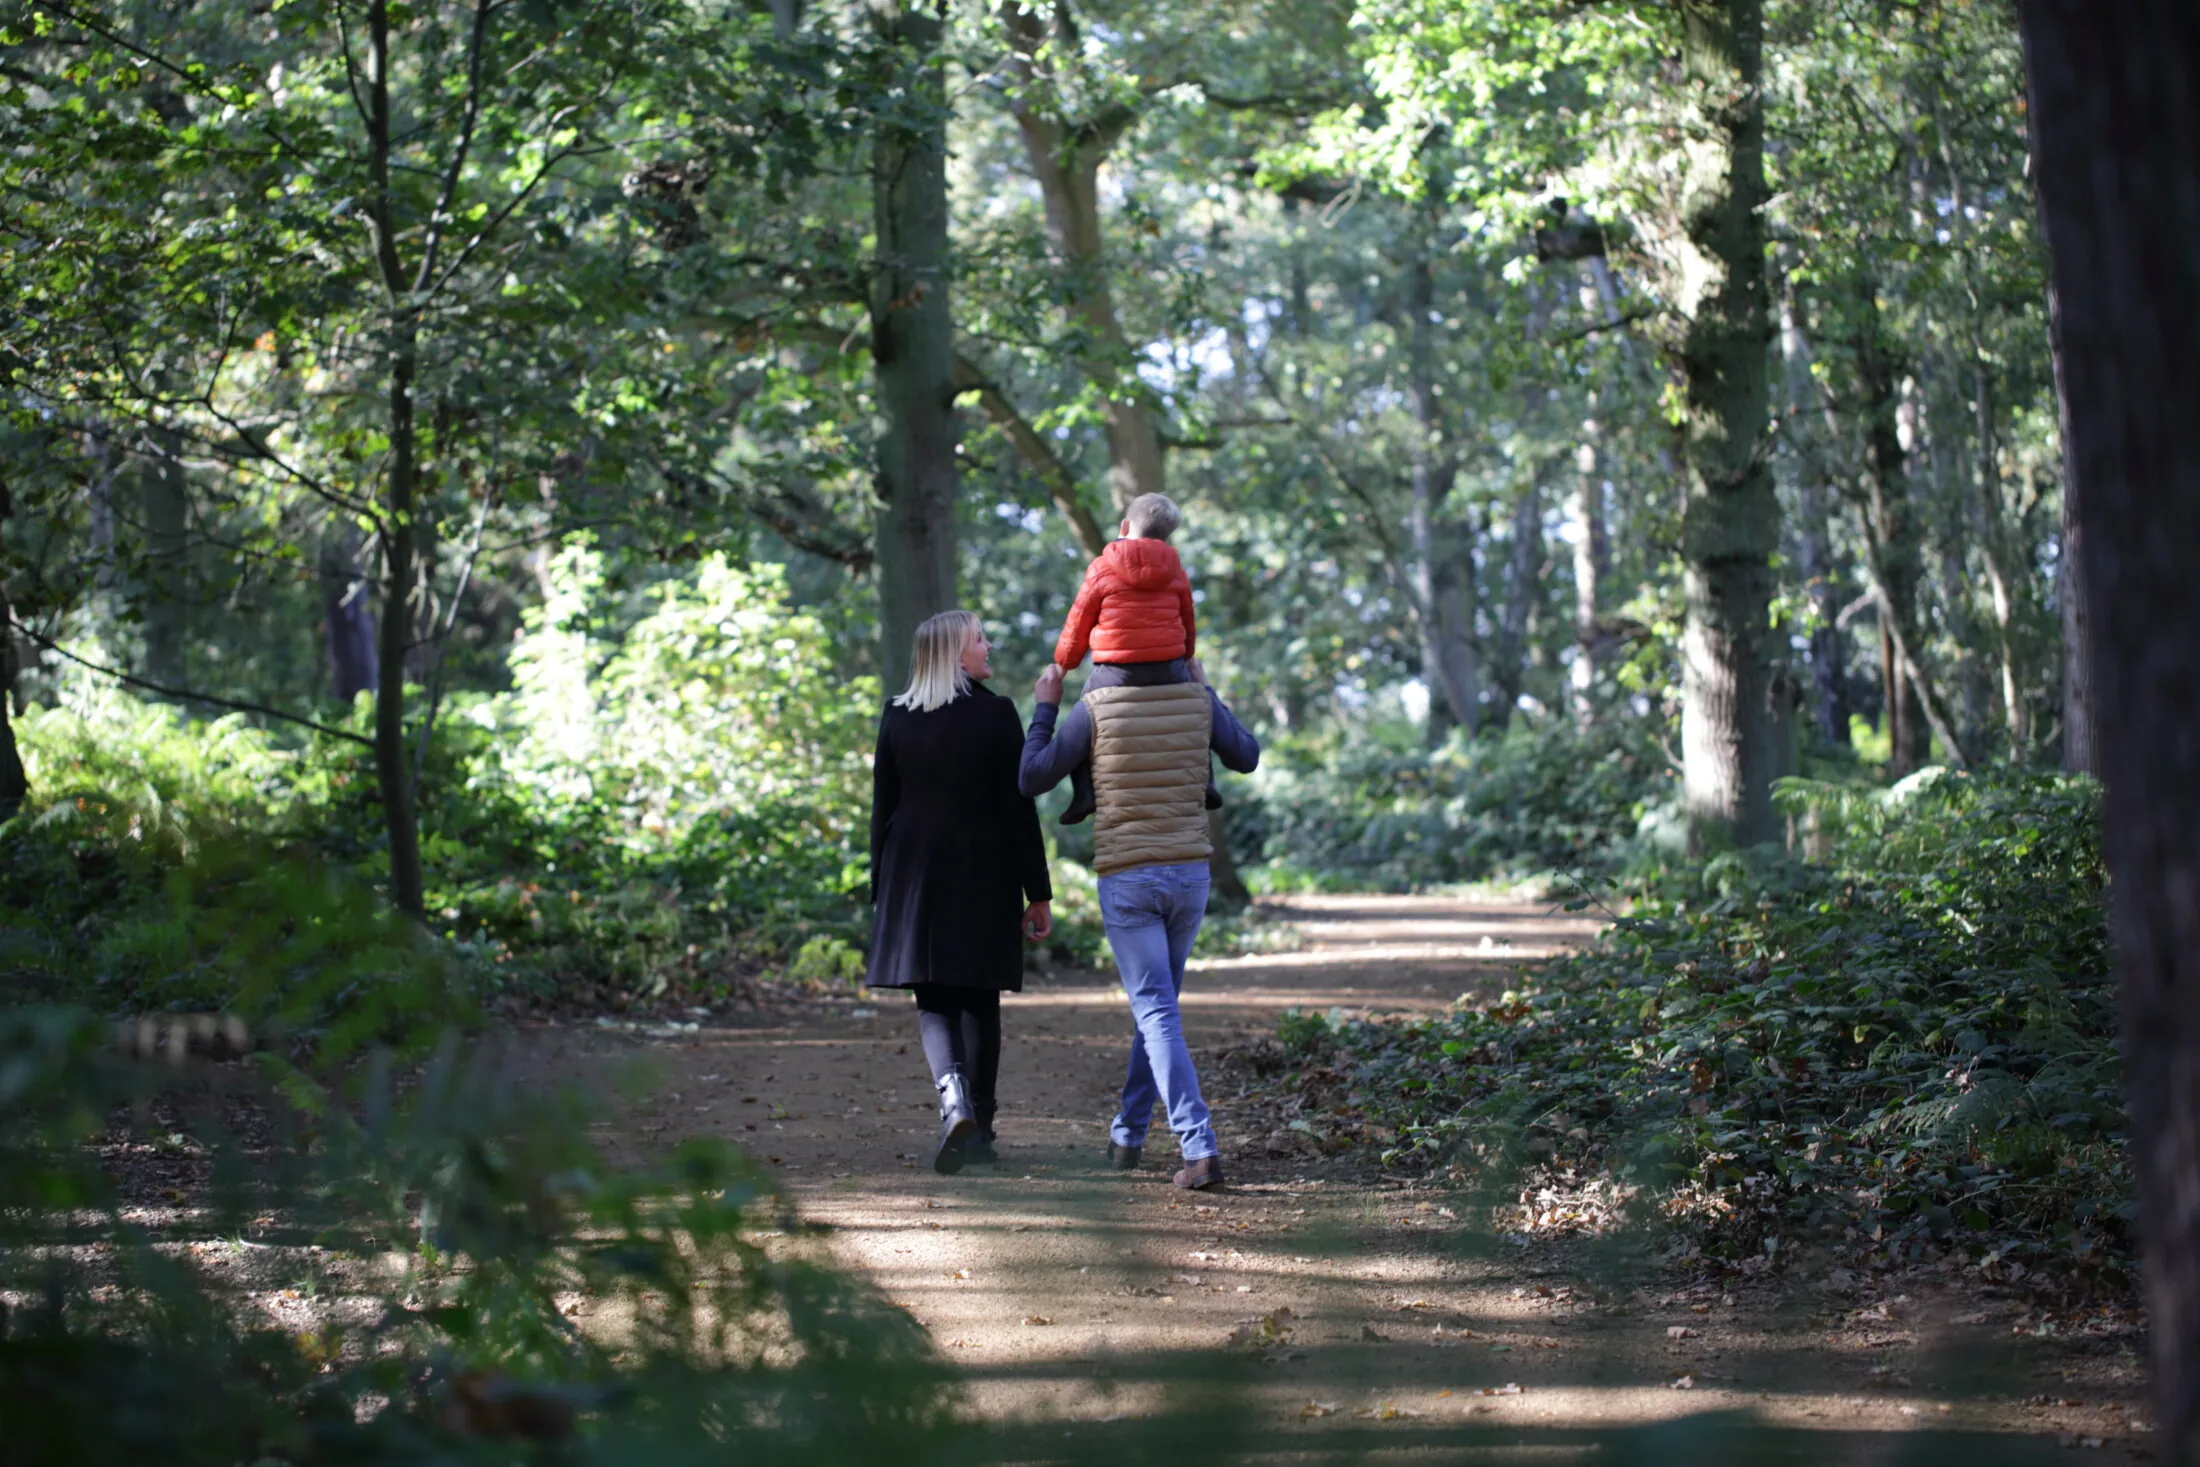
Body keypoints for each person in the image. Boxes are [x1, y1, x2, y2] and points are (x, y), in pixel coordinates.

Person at [1019, 655, 1260, 1190]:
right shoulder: (1195, 699)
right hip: (1189, 876)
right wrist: (1208, 690)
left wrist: (1045, 707)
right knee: (1159, 1011)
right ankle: (1127, 1133)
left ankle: (1199, 1148)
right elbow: (1246, 755)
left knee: (1156, 1012)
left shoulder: (1095, 706)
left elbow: (1031, 777)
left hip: (1129, 876)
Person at [867, 610, 1053, 1174]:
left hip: (913, 870)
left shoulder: (897, 716)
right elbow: (1018, 810)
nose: (987, 645)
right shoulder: (996, 714)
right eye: (979, 639)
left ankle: (955, 1107)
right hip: (984, 867)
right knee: (980, 997)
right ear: (954, 654)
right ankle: (983, 1133)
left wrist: (882, 890)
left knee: (933, 996)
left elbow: (883, 808)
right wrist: (1036, 891)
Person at [1049, 491, 1221, 825]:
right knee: (1195, 710)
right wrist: (1186, 658)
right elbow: (1188, 621)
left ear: (1125, 525)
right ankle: (1208, 782)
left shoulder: (1101, 568)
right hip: (1168, 667)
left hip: (1117, 671)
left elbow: (1078, 621)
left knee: (1084, 720)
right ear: (1167, 535)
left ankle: (1084, 793)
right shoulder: (1176, 571)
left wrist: (1064, 663)